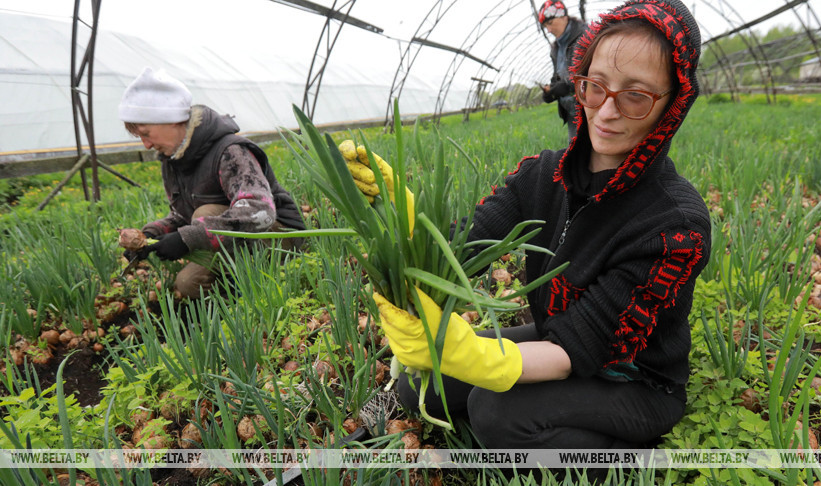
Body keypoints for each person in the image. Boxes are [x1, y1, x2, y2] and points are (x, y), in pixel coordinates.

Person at [370, 0, 711, 462]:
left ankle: (626, 461)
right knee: (417, 383)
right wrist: (398, 216)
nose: (606, 112)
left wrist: (481, 359)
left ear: (672, 106)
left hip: (634, 380)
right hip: (557, 339)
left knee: (495, 409)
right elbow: (464, 244)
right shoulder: (542, 175)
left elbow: (579, 346)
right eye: (595, 87)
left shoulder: (675, 224)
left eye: (635, 96)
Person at [119, 67, 305, 299]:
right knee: (188, 278)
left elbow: (260, 212)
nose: (146, 145)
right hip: (238, 241)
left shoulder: (230, 151)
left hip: (280, 236)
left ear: (172, 120)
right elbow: (181, 215)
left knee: (202, 222)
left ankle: (263, 292)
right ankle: (241, 292)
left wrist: (188, 237)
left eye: (147, 133)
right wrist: (150, 236)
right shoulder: (174, 160)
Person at [537, 0, 586, 142]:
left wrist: (566, 85)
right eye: (545, 26)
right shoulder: (556, 48)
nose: (549, 30)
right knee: (576, 156)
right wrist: (551, 91)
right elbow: (558, 76)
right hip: (571, 112)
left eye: (550, 23)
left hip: (589, 109)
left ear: (564, 16)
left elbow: (593, 71)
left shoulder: (585, 36)